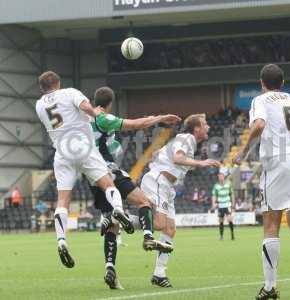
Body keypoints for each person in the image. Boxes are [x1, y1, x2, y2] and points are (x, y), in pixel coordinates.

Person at [234, 64, 290, 300]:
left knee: (271, 224)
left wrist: (243, 151)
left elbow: (260, 125)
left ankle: (270, 287)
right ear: (282, 83)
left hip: (278, 163)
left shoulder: (261, 100)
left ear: (261, 82)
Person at [35, 71, 131, 269]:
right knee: (108, 184)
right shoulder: (70, 92)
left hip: (61, 151)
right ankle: (119, 210)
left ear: (42, 88)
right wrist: (97, 113)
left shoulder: (39, 105)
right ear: (58, 82)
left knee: (63, 200)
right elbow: (86, 107)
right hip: (82, 145)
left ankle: (61, 240)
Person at [90, 86, 180, 289]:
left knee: (112, 225)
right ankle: (148, 237)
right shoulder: (103, 117)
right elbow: (134, 124)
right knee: (143, 202)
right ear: (110, 103)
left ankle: (110, 267)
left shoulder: (83, 119)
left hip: (91, 177)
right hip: (107, 170)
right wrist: (160, 118)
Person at [140, 114, 220, 288]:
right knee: (161, 224)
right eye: (205, 124)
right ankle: (121, 220)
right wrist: (202, 163)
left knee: (170, 229)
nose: (208, 127)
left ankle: (159, 274)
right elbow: (177, 158)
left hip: (166, 186)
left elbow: (161, 155)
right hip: (159, 181)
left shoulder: (186, 142)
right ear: (196, 128)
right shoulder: (187, 138)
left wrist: (159, 155)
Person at [211, 170, 235, 240]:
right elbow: (214, 195)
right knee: (221, 221)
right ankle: (221, 236)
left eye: (221, 176)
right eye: (219, 176)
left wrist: (233, 203)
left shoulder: (228, 184)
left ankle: (232, 234)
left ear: (224, 177)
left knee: (229, 219)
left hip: (227, 204)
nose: (220, 177)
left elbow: (232, 194)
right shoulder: (216, 186)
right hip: (220, 205)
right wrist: (213, 204)